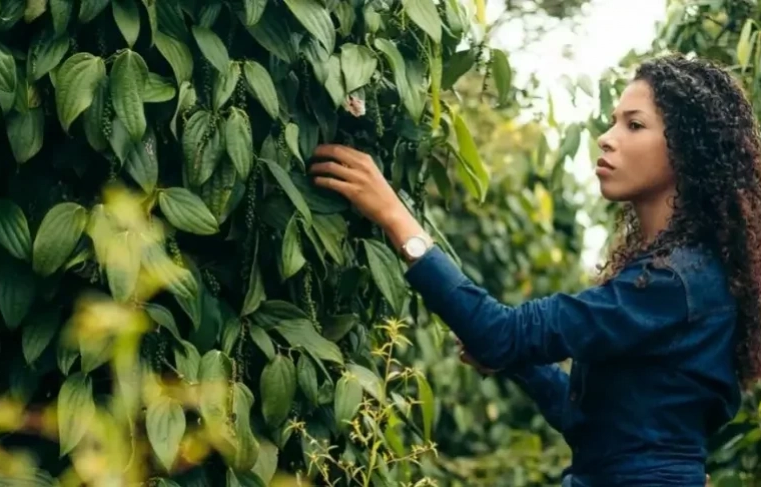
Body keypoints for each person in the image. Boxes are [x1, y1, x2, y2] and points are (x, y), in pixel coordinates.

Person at [307, 53, 761, 486]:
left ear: (685, 149)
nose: (606, 136)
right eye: (612, 120)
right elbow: (592, 425)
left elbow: (499, 332)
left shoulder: (675, 281)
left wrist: (394, 215)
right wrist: (518, 363)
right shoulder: (672, 271)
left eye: (634, 124)